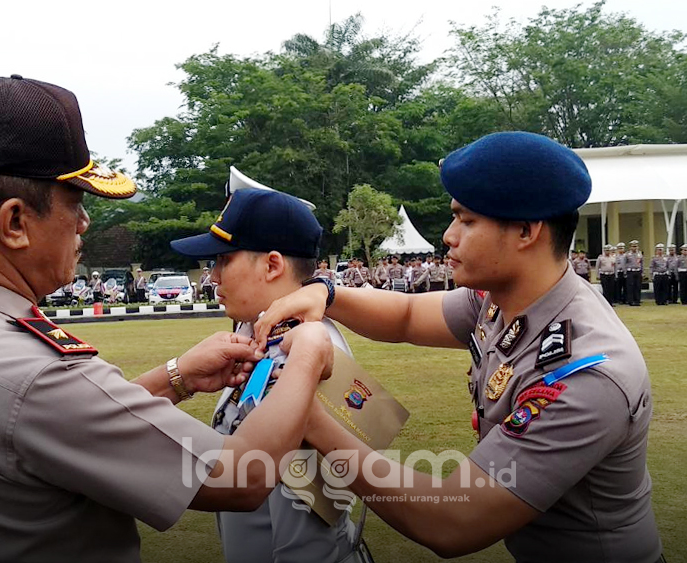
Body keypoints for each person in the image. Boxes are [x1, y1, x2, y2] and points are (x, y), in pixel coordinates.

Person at [0, 75, 336, 563]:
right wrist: (309, 353)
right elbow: (240, 477)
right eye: (75, 204)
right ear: (15, 222)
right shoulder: (32, 373)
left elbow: (49, 429)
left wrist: (178, 377)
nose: (83, 223)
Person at [253, 132, 662, 563]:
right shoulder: (504, 299)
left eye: (466, 221)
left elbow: (452, 521)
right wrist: (326, 292)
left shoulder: (587, 374)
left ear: (526, 231)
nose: (449, 236)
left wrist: (306, 416)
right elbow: (406, 315)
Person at [170, 187, 359, 563]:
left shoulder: (301, 359)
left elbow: (308, 546)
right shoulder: (267, 338)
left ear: (272, 266)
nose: (212, 277)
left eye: (223, 260)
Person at [626, 240, 644, 306]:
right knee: (630, 286)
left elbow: (642, 263)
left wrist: (642, 272)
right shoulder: (627, 254)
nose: (634, 248)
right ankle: (631, 301)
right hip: (630, 271)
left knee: (638, 286)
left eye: (636, 246)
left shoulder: (640, 254)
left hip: (638, 271)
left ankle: (637, 300)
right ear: (630, 247)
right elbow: (624, 264)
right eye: (633, 246)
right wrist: (625, 272)